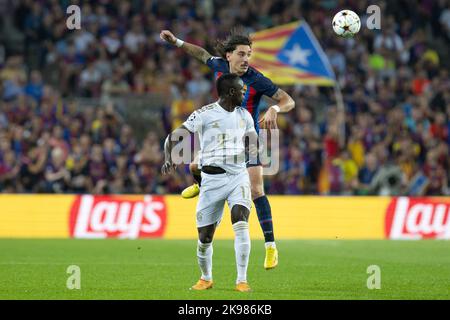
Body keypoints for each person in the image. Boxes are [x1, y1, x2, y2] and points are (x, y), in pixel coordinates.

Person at [160, 28, 295, 270]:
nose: (246, 59)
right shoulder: (219, 66)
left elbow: (288, 100)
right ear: (229, 55)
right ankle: (201, 185)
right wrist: (177, 42)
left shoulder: (257, 79)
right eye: (242, 54)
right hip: (220, 138)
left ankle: (271, 246)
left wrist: (275, 109)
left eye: (249, 55)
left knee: (256, 189)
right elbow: (200, 53)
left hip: (247, 140)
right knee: (193, 165)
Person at [162, 74, 257, 292]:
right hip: (211, 181)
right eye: (242, 90)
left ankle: (241, 280)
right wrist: (169, 158)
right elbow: (173, 137)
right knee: (205, 237)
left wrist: (254, 147)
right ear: (231, 92)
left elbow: (253, 140)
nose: (245, 93)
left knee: (241, 222)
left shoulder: (245, 116)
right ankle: (206, 278)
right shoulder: (204, 114)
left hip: (237, 177)